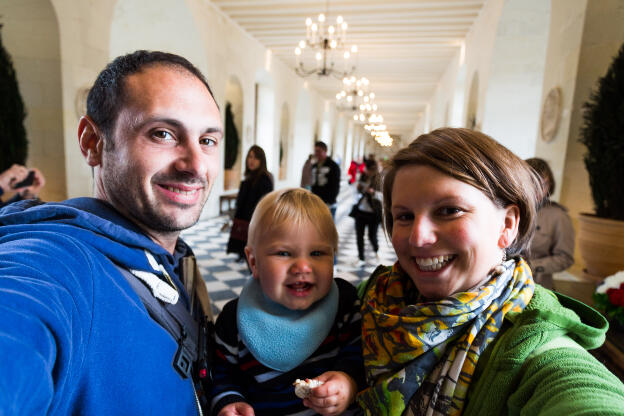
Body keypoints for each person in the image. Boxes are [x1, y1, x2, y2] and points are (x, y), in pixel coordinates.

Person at [0, 50, 222, 415]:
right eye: (163, 134)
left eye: (207, 141)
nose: (196, 165)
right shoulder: (60, 264)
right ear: (92, 142)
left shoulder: (171, 258)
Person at [356, 128, 624, 415]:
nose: (418, 238)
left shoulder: (534, 347)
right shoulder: (374, 297)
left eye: (449, 211)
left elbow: (582, 393)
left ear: (508, 224)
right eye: (405, 216)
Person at [210, 188, 365, 416]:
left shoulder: (345, 304)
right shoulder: (233, 321)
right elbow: (221, 373)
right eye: (283, 253)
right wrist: (228, 401)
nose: (302, 267)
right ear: (253, 262)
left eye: (317, 253)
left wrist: (348, 382)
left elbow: (363, 356)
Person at [524, 157, 575, 290]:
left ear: (550, 185)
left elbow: (565, 258)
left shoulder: (559, 217)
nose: (538, 190)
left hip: (537, 288)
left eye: (543, 184)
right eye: (532, 182)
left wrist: (532, 266)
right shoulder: (505, 209)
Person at [226, 145, 273, 262]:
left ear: (261, 161)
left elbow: (264, 205)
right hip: (244, 222)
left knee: (254, 258)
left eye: (256, 158)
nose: (251, 160)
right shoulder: (248, 177)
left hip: (255, 223)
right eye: (250, 157)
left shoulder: (264, 179)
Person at [352, 159, 382, 267]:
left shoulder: (379, 179)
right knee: (359, 235)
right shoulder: (363, 176)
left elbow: (384, 196)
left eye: (370, 170)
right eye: (367, 169)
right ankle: (361, 258)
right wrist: (359, 188)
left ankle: (376, 250)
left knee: (371, 235)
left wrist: (374, 193)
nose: (368, 172)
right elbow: (358, 191)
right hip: (361, 210)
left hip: (373, 213)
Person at [311, 141, 341, 219]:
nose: (316, 153)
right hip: (315, 201)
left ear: (325, 151)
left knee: (327, 227)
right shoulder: (314, 166)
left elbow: (335, 185)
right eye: (315, 151)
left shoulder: (333, 166)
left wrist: (329, 201)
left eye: (319, 151)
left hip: (328, 203)